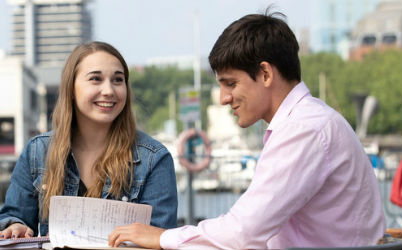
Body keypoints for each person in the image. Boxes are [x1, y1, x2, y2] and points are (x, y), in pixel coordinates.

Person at [108, 10, 385, 249]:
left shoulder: (303, 129)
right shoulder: (311, 120)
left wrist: (163, 237)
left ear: (265, 74)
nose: (223, 98)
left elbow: (242, 232)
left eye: (230, 84)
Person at [0, 41, 178, 238]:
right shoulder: (38, 151)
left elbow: (163, 238)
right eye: (96, 79)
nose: (109, 90)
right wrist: (15, 227)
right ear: (71, 89)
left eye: (118, 80)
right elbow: (13, 215)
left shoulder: (154, 159)